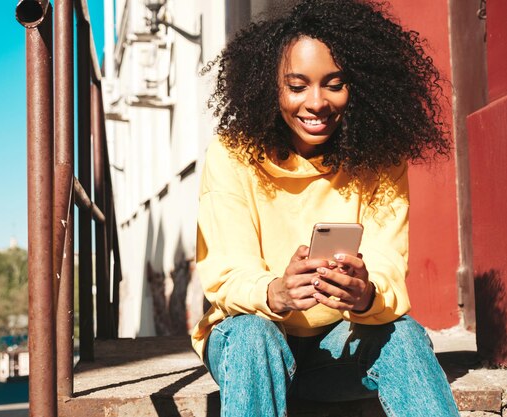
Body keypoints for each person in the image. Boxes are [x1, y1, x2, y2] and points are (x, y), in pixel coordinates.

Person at [191, 0, 459, 416]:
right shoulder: (232, 155)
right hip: (252, 351)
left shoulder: (380, 157)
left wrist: (366, 295)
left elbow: (389, 263)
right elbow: (226, 271)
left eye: (334, 84)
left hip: (339, 350)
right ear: (270, 86)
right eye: (297, 87)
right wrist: (275, 292)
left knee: (402, 335)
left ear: (360, 86)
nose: (316, 103)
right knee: (252, 335)